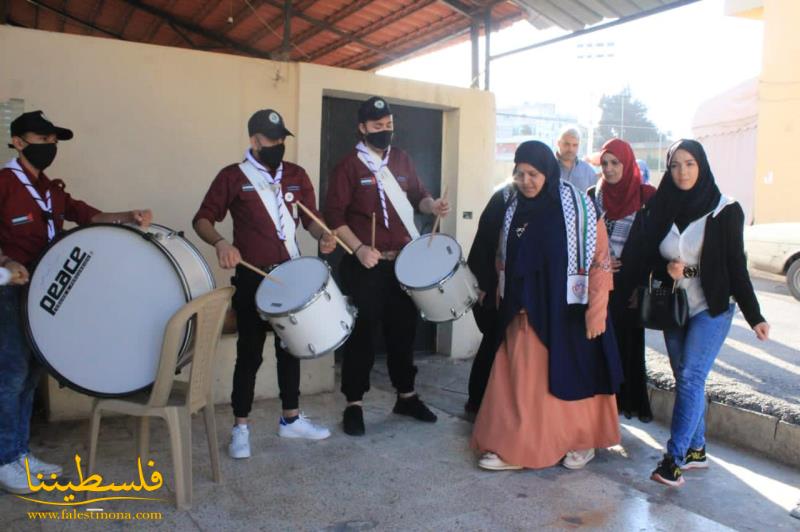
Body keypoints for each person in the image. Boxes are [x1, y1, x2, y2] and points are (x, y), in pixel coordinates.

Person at [0, 110, 152, 494]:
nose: (49, 147)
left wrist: (128, 217)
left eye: (53, 142)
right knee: (11, 375)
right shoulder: (4, 183)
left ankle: (19, 453)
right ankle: (4, 459)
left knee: (32, 375)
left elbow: (87, 215)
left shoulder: (51, 188)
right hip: (10, 293)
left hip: (45, 296)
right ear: (18, 141)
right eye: (41, 140)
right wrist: (6, 261)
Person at [471, 140, 622, 471]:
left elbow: (600, 260)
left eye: (534, 174)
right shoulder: (512, 208)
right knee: (519, 384)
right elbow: (501, 257)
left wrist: (596, 309)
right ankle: (514, 447)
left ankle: (583, 441)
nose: (526, 181)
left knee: (575, 376)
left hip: (570, 311)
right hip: (524, 311)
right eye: (520, 173)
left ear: (548, 172)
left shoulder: (581, 206)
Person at [193, 109, 336, 459]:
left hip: (290, 275)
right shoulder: (232, 176)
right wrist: (222, 244)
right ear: (255, 141)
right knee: (250, 354)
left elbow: (311, 222)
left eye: (282, 139)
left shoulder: (297, 175)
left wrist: (324, 236)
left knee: (290, 350)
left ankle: (291, 420)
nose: (279, 145)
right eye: (273, 139)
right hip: (252, 277)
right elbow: (202, 219)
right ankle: (240, 427)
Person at [641, 139, 770, 487]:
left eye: (690, 164)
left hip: (712, 306)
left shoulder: (725, 210)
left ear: (702, 166)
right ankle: (697, 450)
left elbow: (734, 270)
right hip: (673, 306)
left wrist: (754, 315)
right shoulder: (660, 207)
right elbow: (647, 254)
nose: (682, 172)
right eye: (675, 165)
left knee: (691, 376)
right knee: (683, 374)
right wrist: (666, 267)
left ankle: (674, 459)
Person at [324, 96, 449, 436]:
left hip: (403, 263)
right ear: (362, 128)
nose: (384, 131)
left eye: (388, 126)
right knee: (363, 334)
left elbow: (418, 197)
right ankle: (354, 404)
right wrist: (359, 248)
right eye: (377, 127)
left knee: (403, 331)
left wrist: (432, 204)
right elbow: (333, 216)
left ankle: (405, 395)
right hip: (366, 263)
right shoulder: (349, 166)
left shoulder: (403, 160)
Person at [588, 139, 656, 422]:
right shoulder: (593, 195)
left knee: (627, 349)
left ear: (627, 164)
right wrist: (597, 260)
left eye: (615, 163)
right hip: (600, 286)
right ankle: (599, 411)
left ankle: (623, 407)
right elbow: (582, 237)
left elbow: (657, 242)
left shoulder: (646, 196)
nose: (610, 169)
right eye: (605, 163)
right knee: (598, 348)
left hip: (630, 289)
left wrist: (638, 275)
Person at [556, 127, 597, 192]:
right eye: (567, 144)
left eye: (575, 145)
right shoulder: (547, 168)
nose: (570, 149)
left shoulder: (588, 172)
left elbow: (593, 199)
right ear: (558, 143)